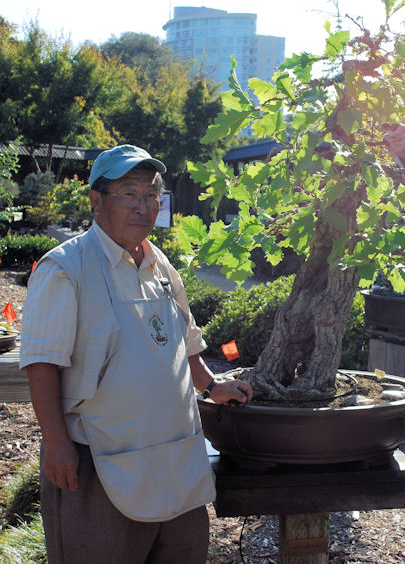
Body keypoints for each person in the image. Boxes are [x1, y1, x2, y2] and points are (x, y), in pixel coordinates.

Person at [20, 144, 253, 564]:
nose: (143, 206)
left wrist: (213, 387)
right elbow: (41, 362)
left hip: (174, 458)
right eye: (129, 194)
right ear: (96, 200)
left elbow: (185, 342)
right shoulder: (65, 269)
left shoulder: (161, 266)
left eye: (151, 196)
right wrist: (55, 442)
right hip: (101, 461)